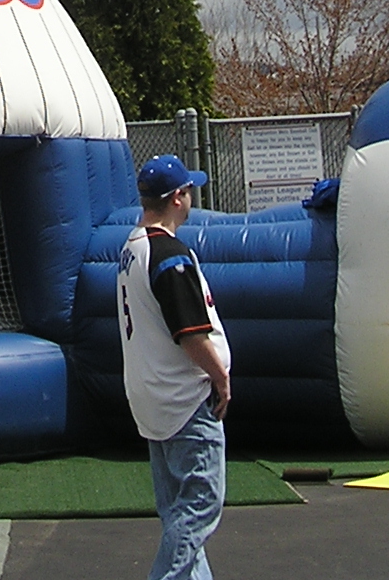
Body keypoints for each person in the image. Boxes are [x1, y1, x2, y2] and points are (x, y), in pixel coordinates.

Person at [119, 155, 231, 580]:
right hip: (183, 398)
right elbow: (189, 331)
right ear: (179, 197)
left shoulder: (132, 247)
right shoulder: (169, 255)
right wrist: (219, 377)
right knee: (200, 502)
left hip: (151, 397)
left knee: (176, 509)